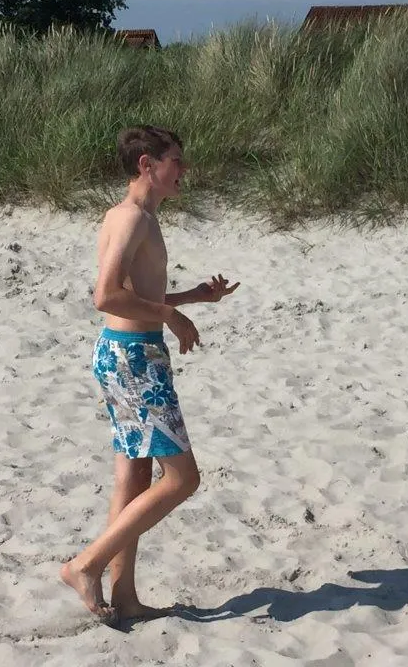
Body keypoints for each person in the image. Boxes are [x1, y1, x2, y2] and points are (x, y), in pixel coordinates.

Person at [61, 125, 240, 623]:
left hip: (124, 353)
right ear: (147, 164)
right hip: (134, 359)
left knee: (135, 474)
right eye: (176, 160)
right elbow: (105, 296)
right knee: (183, 479)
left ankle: (125, 597)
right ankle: (85, 565)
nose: (184, 169)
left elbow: (136, 295)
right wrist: (169, 315)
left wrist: (192, 298)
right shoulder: (132, 218)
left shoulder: (134, 217)